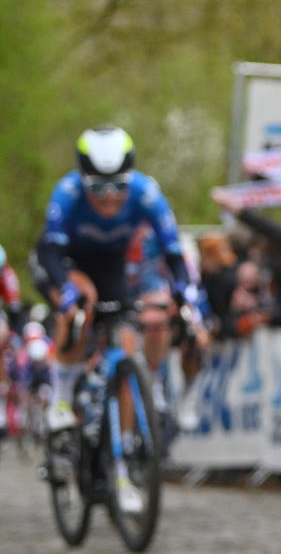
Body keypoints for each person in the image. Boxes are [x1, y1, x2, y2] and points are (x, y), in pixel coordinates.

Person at [31, 126, 189, 514]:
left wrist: (184, 293)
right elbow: (51, 251)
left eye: (117, 186)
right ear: (82, 180)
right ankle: (63, 402)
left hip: (111, 268)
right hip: (65, 263)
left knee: (133, 338)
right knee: (82, 301)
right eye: (97, 188)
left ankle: (122, 472)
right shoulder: (66, 193)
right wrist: (64, 290)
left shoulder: (146, 192)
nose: (109, 197)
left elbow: (173, 254)